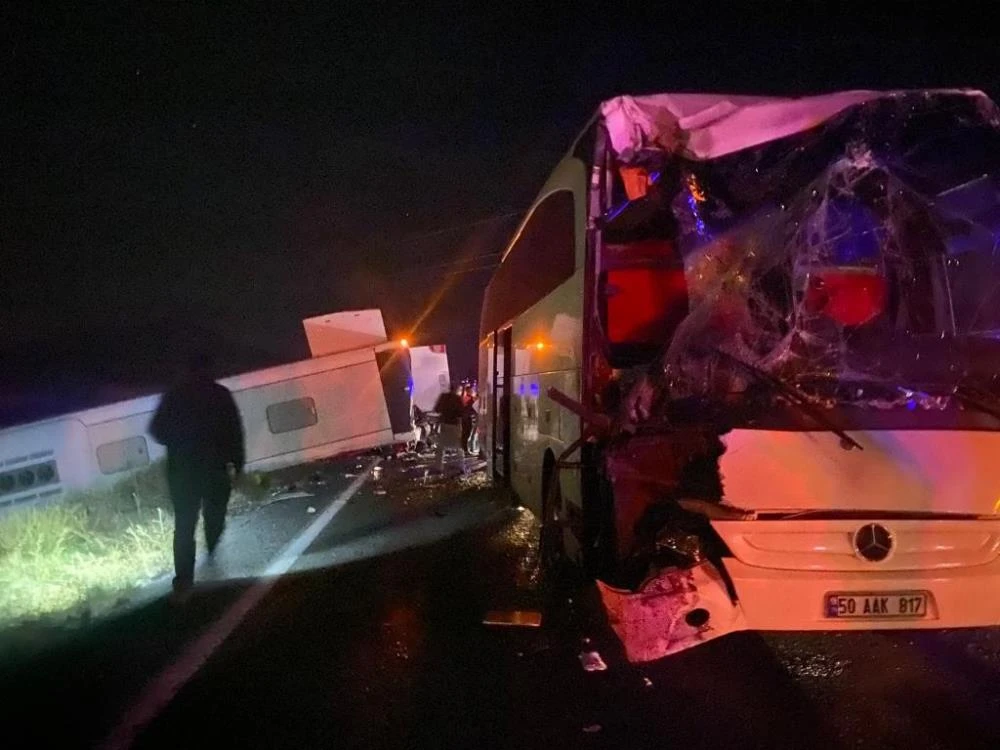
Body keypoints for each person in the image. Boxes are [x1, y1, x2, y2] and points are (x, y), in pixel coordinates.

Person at [149, 351, 245, 599]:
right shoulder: (221, 395)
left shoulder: (174, 396)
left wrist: (178, 443)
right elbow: (235, 431)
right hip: (214, 469)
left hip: (183, 471)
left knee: (184, 525)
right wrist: (238, 464)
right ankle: (211, 547)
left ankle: (184, 579)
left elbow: (156, 430)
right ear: (209, 368)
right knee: (215, 515)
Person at [433, 384, 467, 475]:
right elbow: (462, 413)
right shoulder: (458, 399)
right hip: (455, 425)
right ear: (456, 389)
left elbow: (437, 409)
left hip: (444, 424)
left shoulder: (443, 397)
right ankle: (461, 467)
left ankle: (438, 467)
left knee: (441, 446)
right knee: (459, 446)